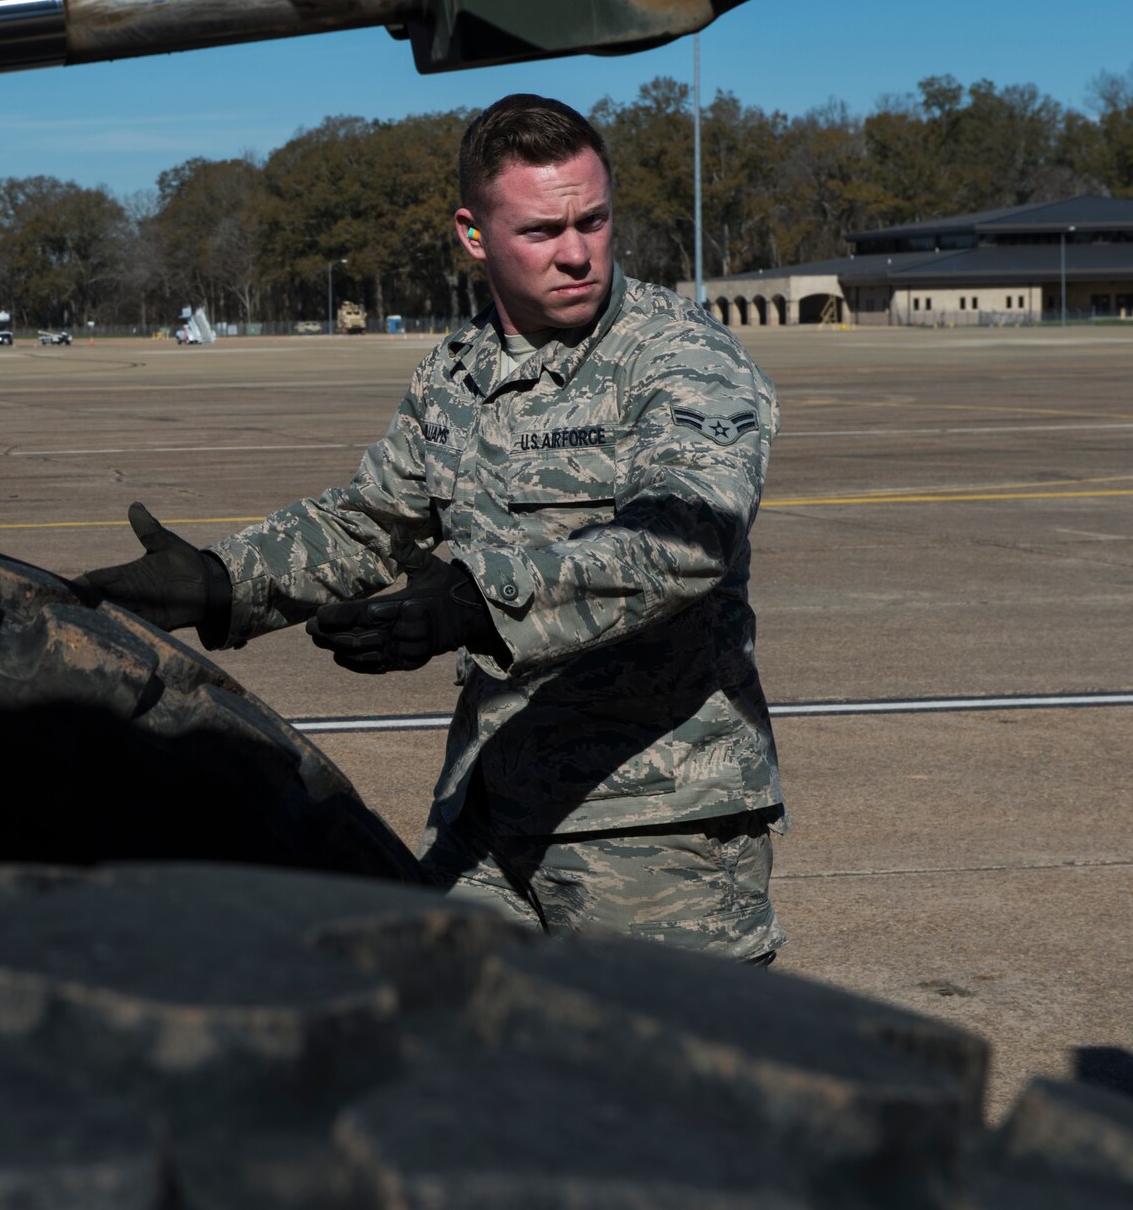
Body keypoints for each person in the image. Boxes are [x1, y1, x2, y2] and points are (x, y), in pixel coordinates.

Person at [79, 94, 786, 963]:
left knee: (663, 1088)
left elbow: (685, 540)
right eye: (541, 230)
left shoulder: (678, 357)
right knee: (427, 1045)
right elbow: (371, 520)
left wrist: (473, 601)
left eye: (595, 221)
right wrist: (222, 579)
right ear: (473, 234)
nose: (577, 253)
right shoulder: (458, 372)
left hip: (652, 825)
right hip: (490, 807)